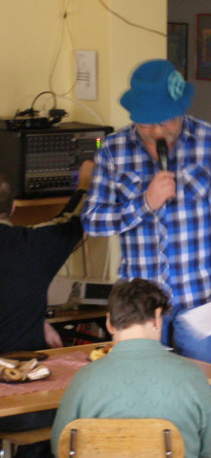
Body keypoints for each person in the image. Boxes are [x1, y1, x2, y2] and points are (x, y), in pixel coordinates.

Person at [81, 59, 211, 458]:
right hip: (139, 307)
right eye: (147, 123)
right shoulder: (113, 151)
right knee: (141, 397)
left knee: (204, 396)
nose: (157, 132)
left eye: (165, 121)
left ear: (180, 111)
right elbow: (93, 221)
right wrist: (144, 203)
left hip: (200, 299)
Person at [50, 278, 211, 458]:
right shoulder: (193, 375)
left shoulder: (84, 378)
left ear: (109, 323)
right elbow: (207, 449)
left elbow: (60, 445)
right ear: (157, 318)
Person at [0, 160, 94, 458]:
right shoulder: (33, 245)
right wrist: (84, 183)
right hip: (19, 409)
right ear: (13, 207)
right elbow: (72, 220)